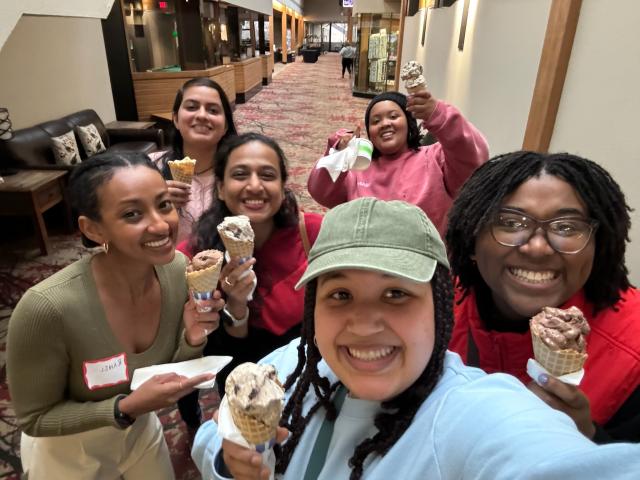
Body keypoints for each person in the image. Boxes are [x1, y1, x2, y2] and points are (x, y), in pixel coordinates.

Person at [191, 197, 640, 480]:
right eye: (340, 294)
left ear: (439, 308)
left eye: (396, 293)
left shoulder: (471, 412)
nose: (364, 323)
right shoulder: (291, 365)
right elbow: (213, 435)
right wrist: (227, 459)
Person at [6, 152, 224, 479]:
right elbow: (35, 418)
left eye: (163, 204)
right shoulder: (46, 308)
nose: (160, 223)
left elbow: (170, 365)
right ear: (93, 229)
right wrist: (125, 408)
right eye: (132, 213)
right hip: (67, 450)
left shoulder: (177, 271)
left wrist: (192, 337)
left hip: (138, 432)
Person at [446, 151, 640, 443]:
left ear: (598, 246)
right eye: (510, 223)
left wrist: (589, 438)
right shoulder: (430, 309)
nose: (537, 248)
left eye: (567, 227)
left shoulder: (634, 346)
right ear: (472, 240)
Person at [176, 132, 323, 429]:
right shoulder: (197, 256)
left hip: (306, 371)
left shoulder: (313, 234)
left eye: (267, 175)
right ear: (220, 188)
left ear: (283, 187)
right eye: (240, 174)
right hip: (240, 379)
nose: (254, 185)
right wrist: (236, 305)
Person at [307, 90, 489, 236]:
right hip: (368, 268)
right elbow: (320, 191)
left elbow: (474, 157)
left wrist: (439, 115)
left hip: (423, 272)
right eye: (375, 121)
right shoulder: (359, 167)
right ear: (369, 132)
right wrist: (339, 153)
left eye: (393, 117)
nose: (385, 124)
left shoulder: (435, 158)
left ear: (409, 123)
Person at [154, 77, 237, 243]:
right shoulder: (148, 169)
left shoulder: (239, 174)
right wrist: (154, 205)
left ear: (226, 126)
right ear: (176, 119)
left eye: (213, 110)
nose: (202, 115)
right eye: (192, 107)